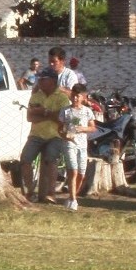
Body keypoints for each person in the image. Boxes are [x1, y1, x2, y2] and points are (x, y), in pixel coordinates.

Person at [20, 69, 70, 203]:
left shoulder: (62, 98)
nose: (40, 82)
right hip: (36, 135)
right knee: (25, 160)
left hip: (54, 135)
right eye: (39, 79)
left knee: (50, 160)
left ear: (52, 81)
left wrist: (44, 112)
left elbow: (62, 119)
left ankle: (51, 193)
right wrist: (50, 114)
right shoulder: (36, 96)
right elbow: (30, 117)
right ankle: (30, 191)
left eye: (43, 79)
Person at [59, 83, 96, 212]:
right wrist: (65, 135)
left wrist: (83, 128)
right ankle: (73, 199)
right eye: (73, 95)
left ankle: (72, 196)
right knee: (73, 171)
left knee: (81, 173)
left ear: (83, 97)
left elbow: (93, 127)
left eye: (78, 96)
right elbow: (60, 128)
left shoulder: (87, 111)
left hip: (82, 145)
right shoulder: (65, 111)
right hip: (69, 144)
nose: (75, 98)